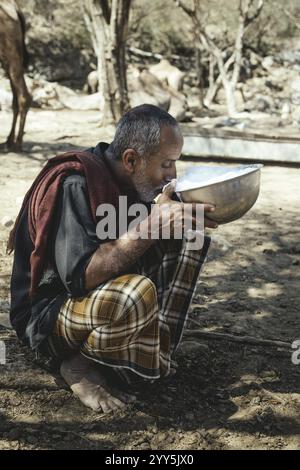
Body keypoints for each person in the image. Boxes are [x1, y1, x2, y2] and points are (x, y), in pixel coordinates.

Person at [8, 104, 217, 413]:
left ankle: (148, 356)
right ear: (131, 159)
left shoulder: (130, 181)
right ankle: (76, 364)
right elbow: (80, 277)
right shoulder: (76, 183)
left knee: (188, 235)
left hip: (86, 302)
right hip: (47, 316)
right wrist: (151, 226)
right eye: (167, 164)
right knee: (134, 294)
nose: (172, 175)